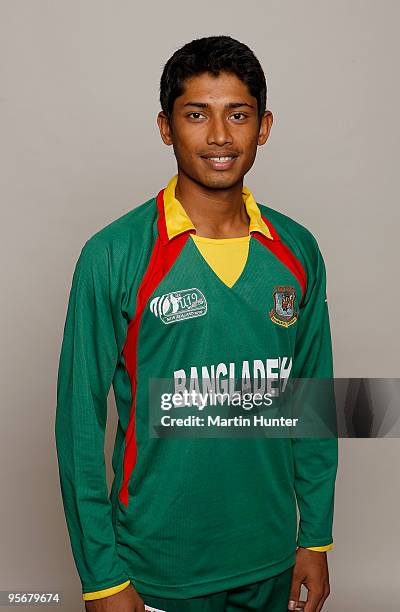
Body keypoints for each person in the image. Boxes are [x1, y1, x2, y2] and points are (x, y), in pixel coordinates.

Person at [55, 35, 338, 612]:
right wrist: (102, 577)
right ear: (166, 127)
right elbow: (79, 426)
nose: (218, 136)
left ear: (263, 126)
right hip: (157, 566)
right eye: (195, 115)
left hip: (270, 557)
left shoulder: (297, 250)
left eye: (238, 115)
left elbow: (313, 404)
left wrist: (314, 536)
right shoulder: (115, 254)